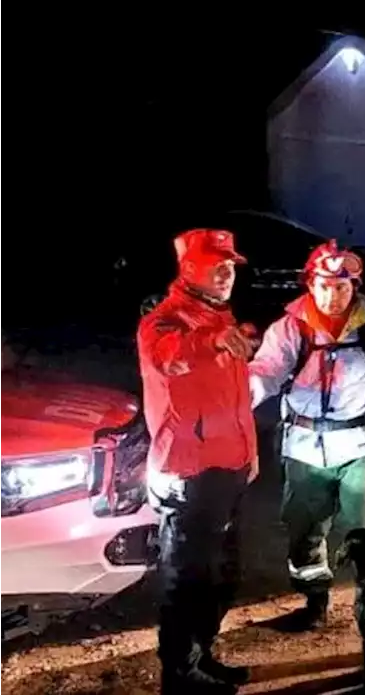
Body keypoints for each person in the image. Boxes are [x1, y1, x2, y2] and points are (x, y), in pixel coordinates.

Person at [248, 240, 365, 630]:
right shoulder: (290, 328)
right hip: (304, 447)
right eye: (324, 285)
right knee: (303, 529)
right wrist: (234, 397)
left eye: (342, 286)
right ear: (310, 283)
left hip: (360, 443)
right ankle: (314, 603)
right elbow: (267, 371)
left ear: (355, 286)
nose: (332, 295)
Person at [137, 228, 259, 694]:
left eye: (230, 265)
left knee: (220, 577)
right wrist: (213, 341)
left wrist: (249, 456)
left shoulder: (219, 319)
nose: (227, 273)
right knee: (185, 580)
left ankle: (201, 656)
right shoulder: (164, 322)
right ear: (190, 270)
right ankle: (180, 672)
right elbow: (169, 358)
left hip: (226, 469)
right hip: (187, 472)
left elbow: (235, 402)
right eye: (217, 265)